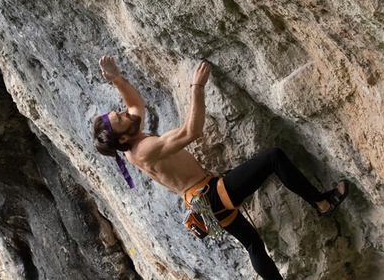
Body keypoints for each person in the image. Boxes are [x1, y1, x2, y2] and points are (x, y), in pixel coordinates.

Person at [92, 55, 349, 280]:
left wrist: (117, 79)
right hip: (210, 195)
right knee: (273, 158)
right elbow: (192, 132)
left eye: (119, 112)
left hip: (204, 205)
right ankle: (320, 203)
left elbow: (136, 105)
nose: (124, 112)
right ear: (123, 138)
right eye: (119, 117)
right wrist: (197, 87)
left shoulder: (129, 143)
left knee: (252, 244)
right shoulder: (143, 150)